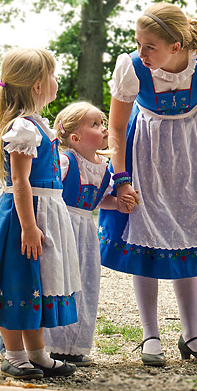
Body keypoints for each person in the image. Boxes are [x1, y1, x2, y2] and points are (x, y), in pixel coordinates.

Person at [98, 2, 197, 366]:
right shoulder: (131, 68)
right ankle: (150, 334)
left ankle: (191, 333)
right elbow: (115, 128)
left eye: (149, 46)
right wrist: (122, 178)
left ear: (176, 47)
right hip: (147, 150)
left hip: (193, 152)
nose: (140, 53)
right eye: (138, 43)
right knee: (150, 235)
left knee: (189, 234)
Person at [0, 48, 79, 379]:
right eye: (53, 75)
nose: (56, 80)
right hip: (24, 215)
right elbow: (19, 180)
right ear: (36, 84)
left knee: (38, 282)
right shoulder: (23, 129)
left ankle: (37, 354)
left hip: (41, 211)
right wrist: (28, 227)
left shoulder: (38, 125)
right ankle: (14, 356)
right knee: (17, 281)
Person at [43, 102, 135, 366]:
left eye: (102, 122)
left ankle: (73, 346)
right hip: (64, 226)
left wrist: (116, 202)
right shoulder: (64, 161)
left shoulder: (104, 167)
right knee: (60, 282)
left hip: (86, 231)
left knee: (85, 285)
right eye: (95, 124)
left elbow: (98, 199)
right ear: (75, 138)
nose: (104, 128)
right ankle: (51, 343)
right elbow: (50, 193)